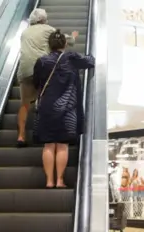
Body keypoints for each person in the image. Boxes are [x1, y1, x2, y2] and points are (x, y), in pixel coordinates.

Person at [33, 30, 95, 188]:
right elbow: (90, 61)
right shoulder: (71, 58)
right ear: (65, 44)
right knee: (62, 145)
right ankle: (60, 180)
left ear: (49, 45)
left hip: (47, 106)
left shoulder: (41, 61)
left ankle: (49, 181)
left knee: (48, 145)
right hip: (68, 109)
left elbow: (36, 83)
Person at [16, 8, 78, 147]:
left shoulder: (24, 33)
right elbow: (66, 41)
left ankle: (21, 136)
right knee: (50, 100)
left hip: (25, 70)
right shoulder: (48, 29)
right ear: (44, 19)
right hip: (43, 68)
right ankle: (49, 134)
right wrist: (73, 36)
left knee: (25, 104)